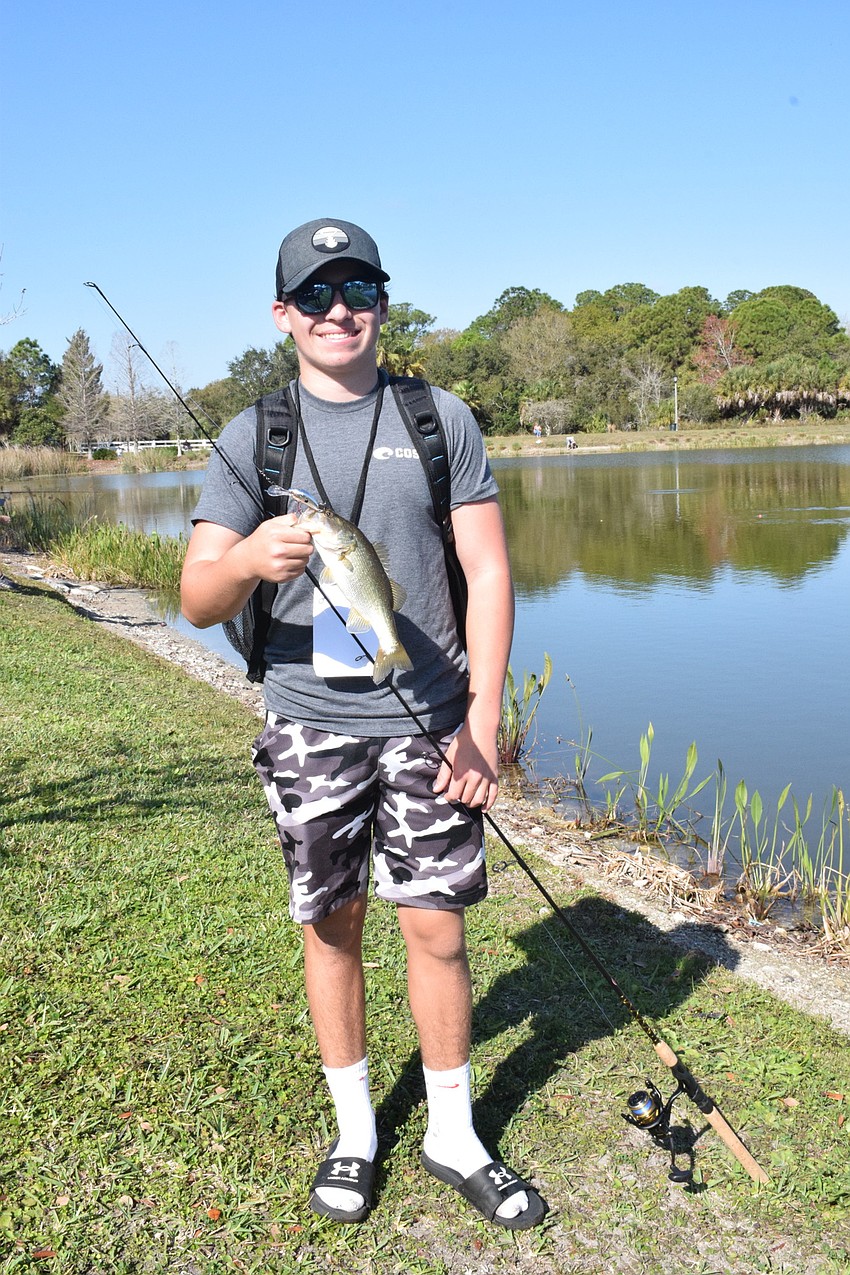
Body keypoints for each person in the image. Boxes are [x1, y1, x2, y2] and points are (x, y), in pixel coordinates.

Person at [180, 219, 547, 1230]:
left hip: (430, 720)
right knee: (331, 924)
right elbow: (196, 596)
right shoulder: (253, 437)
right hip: (308, 724)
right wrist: (251, 561)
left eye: (359, 291)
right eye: (315, 296)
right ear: (282, 315)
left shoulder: (439, 419)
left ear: (381, 304)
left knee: (435, 927)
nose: (339, 311)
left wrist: (480, 720)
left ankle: (453, 1134)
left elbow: (489, 571)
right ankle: (356, 1133)